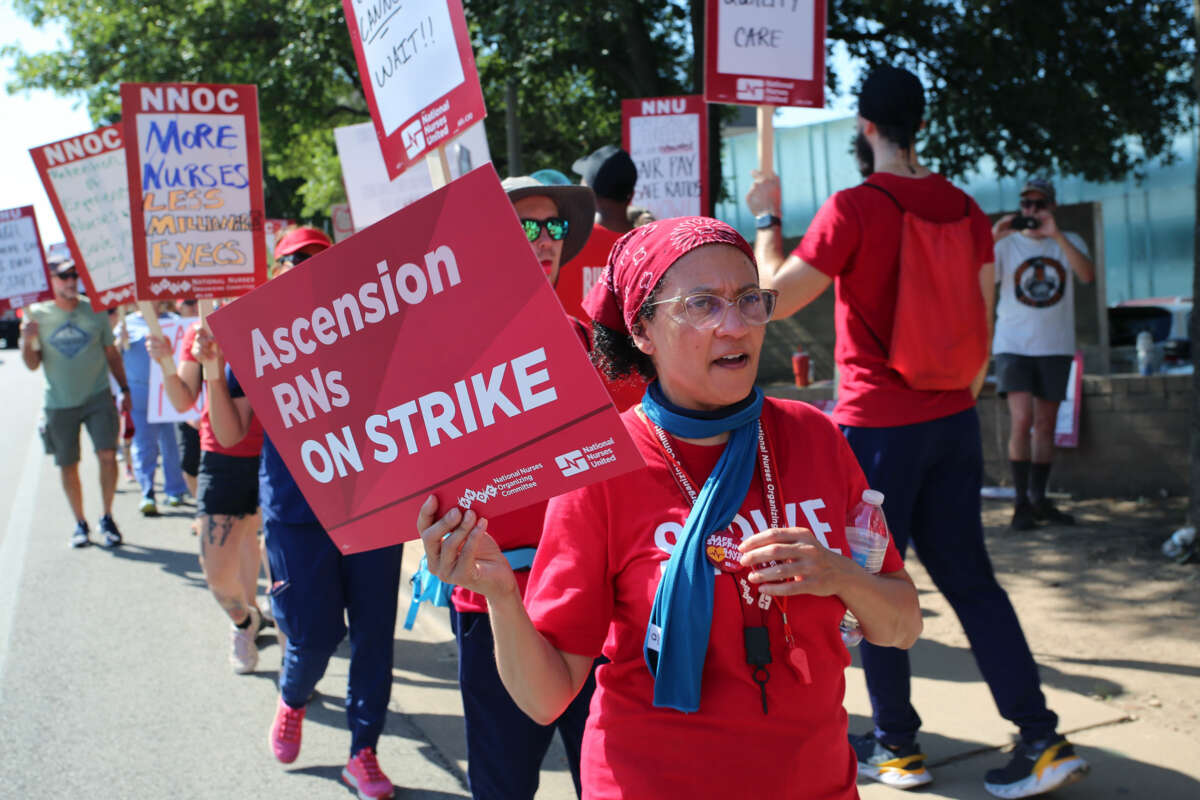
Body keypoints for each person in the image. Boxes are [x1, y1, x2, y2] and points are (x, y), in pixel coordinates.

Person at [418, 217, 923, 799]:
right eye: (702, 305)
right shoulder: (602, 467)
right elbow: (546, 697)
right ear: (643, 331)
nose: (734, 327)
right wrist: (501, 595)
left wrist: (841, 575)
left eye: (749, 300)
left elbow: (901, 624)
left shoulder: (816, 437)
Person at [744, 66, 1089, 798]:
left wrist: (766, 220)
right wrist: (957, 397)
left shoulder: (855, 208)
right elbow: (985, 313)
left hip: (875, 430)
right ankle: (1039, 737)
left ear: (865, 127)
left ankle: (897, 746)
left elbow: (769, 300)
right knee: (973, 582)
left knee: (873, 585)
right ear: (918, 123)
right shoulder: (965, 210)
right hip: (953, 420)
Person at [432, 177, 639, 800]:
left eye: (553, 228)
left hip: (587, 602)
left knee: (603, 780)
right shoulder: (446, 355)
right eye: (526, 227)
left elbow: (637, 458)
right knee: (502, 787)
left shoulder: (590, 345)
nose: (546, 240)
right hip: (492, 604)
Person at [203, 226, 403, 800]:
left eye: (318, 260)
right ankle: (293, 697)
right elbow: (231, 430)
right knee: (311, 635)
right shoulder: (258, 341)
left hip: (374, 507)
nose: (306, 270)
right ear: (277, 271)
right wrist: (214, 371)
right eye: (294, 262)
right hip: (295, 512)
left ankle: (363, 751)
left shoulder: (372, 329)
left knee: (373, 639)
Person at [150, 311, 269, 674]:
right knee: (217, 574)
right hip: (222, 457)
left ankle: (293, 667)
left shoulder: (276, 312)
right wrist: (165, 360)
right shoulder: (201, 327)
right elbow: (183, 401)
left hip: (281, 454)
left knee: (260, 547)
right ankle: (243, 622)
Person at [992, 178, 1095, 530]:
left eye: (1039, 205)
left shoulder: (1070, 243)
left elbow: (1086, 275)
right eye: (1026, 205)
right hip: (1013, 346)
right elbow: (974, 273)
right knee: (1021, 420)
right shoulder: (1006, 246)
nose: (1031, 212)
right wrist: (994, 236)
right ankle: (1021, 503)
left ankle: (1039, 499)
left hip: (1055, 347)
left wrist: (1057, 236)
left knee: (1045, 425)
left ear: (1051, 207)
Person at [21, 258, 131, 548]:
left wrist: (125, 388)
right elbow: (32, 364)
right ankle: (80, 523)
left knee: (108, 456)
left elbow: (112, 354)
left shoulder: (94, 310)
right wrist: (26, 340)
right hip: (59, 402)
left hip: (97, 397)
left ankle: (107, 517)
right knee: (68, 464)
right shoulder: (37, 315)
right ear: (51, 280)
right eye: (63, 276)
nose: (70, 281)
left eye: (75, 275)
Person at [119, 301, 189, 515]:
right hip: (140, 395)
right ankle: (147, 492)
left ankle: (175, 490)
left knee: (172, 445)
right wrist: (119, 342)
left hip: (168, 394)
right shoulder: (126, 323)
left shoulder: (173, 321)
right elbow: (113, 356)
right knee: (144, 445)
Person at [554, 147, 638, 321]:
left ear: (587, 193)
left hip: (566, 346)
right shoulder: (647, 247)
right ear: (631, 196)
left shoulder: (562, 240)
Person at [174, 298, 201, 500]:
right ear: (179, 307)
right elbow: (182, 400)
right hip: (192, 416)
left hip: (222, 419)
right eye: (188, 302)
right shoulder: (190, 330)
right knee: (190, 465)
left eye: (195, 301)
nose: (193, 306)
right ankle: (200, 512)